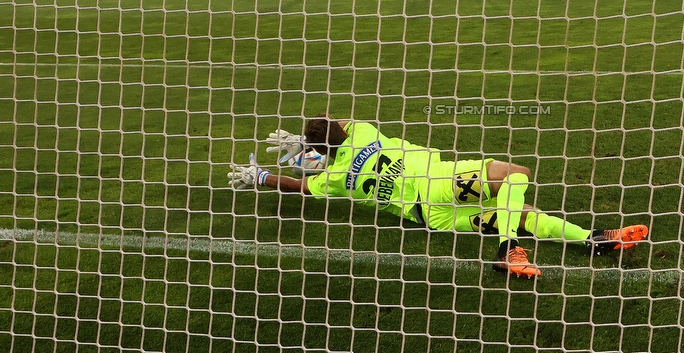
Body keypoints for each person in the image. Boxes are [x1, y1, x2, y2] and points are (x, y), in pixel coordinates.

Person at [227, 115, 650, 279]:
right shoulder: (363, 132)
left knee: (521, 213)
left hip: (430, 216)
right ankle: (508, 250)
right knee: (517, 175)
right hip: (439, 179)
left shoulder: (333, 181)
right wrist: (308, 141)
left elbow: (300, 186)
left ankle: (594, 239)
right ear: (343, 133)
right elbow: (341, 121)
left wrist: (263, 175)